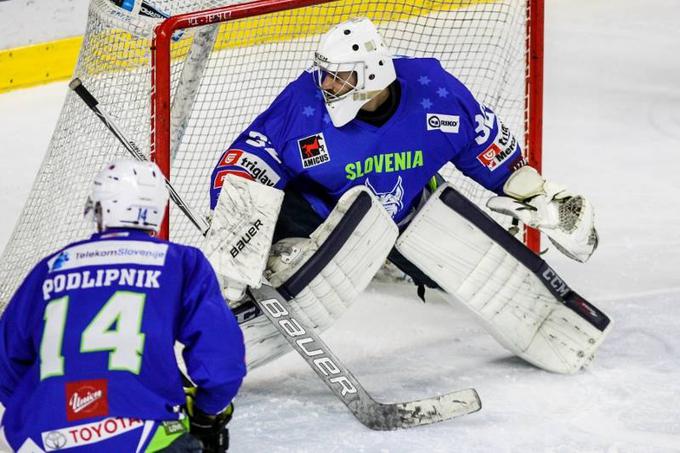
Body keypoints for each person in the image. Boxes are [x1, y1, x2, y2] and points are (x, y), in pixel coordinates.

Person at [208, 17, 603, 373]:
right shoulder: (303, 105)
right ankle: (261, 284)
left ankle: (391, 259)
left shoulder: (437, 94)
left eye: (339, 77)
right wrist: (236, 233)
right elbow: (245, 161)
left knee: (461, 273)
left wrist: (543, 198)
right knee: (291, 251)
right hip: (316, 216)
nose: (326, 85)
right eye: (324, 74)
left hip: (405, 215)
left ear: (372, 76)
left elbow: (494, 154)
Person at [0, 160, 246, 452]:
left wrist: (51, 408)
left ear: (98, 207)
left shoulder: (52, 267)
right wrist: (206, 411)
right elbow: (222, 361)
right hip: (144, 433)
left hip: (41, 438)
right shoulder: (181, 262)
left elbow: (6, 361)